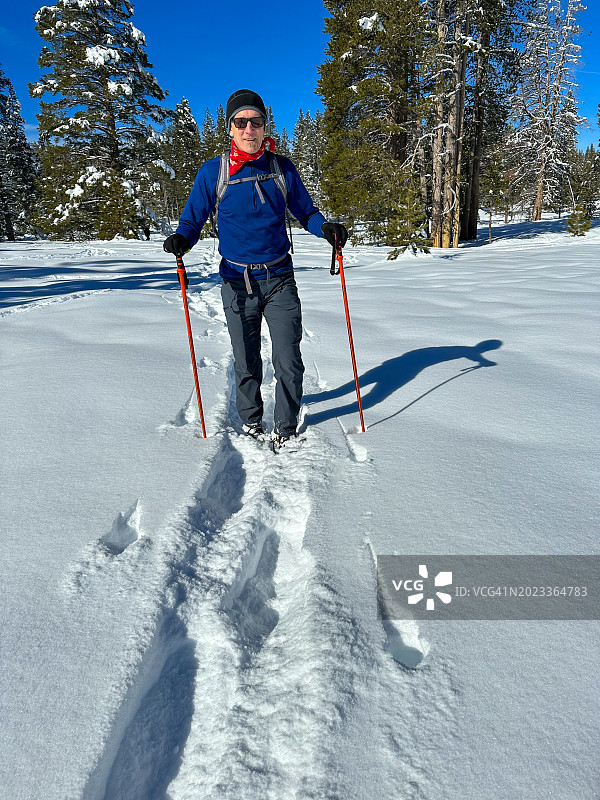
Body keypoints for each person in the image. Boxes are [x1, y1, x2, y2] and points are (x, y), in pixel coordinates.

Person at [164, 89, 347, 449]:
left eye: (256, 121)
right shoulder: (212, 173)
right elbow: (193, 219)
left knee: (289, 360)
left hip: (279, 279)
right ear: (230, 128)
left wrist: (325, 228)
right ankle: (250, 422)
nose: (249, 129)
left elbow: (306, 212)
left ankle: (286, 426)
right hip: (237, 282)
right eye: (241, 122)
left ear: (265, 127)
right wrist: (183, 239)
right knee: (247, 361)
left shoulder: (282, 169)